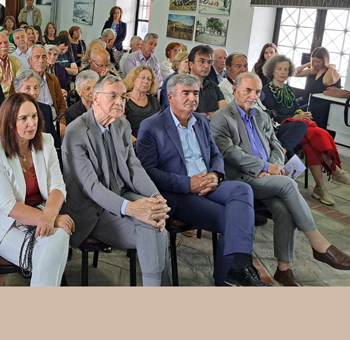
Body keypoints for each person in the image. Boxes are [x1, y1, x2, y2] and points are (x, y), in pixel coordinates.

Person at [211, 72, 350, 285]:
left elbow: (276, 144)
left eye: (257, 91)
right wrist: (265, 167)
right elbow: (230, 153)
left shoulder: (261, 115)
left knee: (283, 208)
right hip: (240, 179)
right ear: (235, 90)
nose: (253, 96)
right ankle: (319, 245)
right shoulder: (221, 117)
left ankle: (284, 268)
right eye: (248, 90)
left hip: (267, 177)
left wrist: (273, 167)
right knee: (288, 184)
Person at [137, 74, 268, 286]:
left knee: (243, 190)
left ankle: (238, 269)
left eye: (196, 93)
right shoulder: (152, 126)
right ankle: (230, 277)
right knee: (234, 219)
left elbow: (216, 155)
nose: (192, 98)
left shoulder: (201, 121)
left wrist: (215, 175)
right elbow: (147, 172)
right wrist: (187, 183)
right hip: (179, 193)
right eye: (186, 93)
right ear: (170, 97)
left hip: (209, 184)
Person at [60, 75, 171, 286]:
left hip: (121, 193)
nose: (120, 102)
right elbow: (91, 187)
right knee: (155, 228)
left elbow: (134, 167)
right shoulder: (76, 132)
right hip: (91, 208)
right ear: (95, 98)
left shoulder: (122, 125)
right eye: (112, 96)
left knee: (155, 218)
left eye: (123, 97)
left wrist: (156, 197)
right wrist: (133, 209)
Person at [0, 93, 72, 285]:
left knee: (58, 238)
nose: (32, 123)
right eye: (24, 118)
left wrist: (49, 216)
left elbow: (58, 186)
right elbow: (7, 205)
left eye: (34, 116)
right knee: (51, 254)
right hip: (3, 224)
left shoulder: (46, 141)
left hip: (40, 211)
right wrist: (52, 219)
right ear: (10, 122)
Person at [261, 55, 350, 205]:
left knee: (310, 144)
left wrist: (302, 114)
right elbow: (271, 117)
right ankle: (334, 169)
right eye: (279, 69)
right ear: (272, 71)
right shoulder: (266, 91)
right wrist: (296, 117)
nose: (283, 72)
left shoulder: (288, 89)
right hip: (281, 130)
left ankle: (320, 188)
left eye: (286, 69)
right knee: (317, 132)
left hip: (298, 128)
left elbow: (296, 108)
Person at [295, 47, 342, 128]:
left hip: (323, 108)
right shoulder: (313, 71)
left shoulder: (334, 73)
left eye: (318, 62)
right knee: (291, 111)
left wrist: (331, 68)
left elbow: (326, 82)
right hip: (308, 102)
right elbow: (294, 73)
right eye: (314, 61)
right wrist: (309, 64)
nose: (316, 64)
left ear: (325, 60)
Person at [14, 69, 59, 144]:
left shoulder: (46, 109)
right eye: (27, 88)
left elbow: (55, 141)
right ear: (17, 92)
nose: (33, 93)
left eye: (36, 88)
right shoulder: (11, 112)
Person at [188, 44, 227, 116]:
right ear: (191, 64)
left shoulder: (213, 86)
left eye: (209, 62)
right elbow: (187, 115)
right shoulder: (182, 86)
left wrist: (206, 115)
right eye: (201, 61)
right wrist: (213, 114)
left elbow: (224, 113)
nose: (206, 66)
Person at [124, 65, 160, 140]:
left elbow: (161, 124)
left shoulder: (153, 101)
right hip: (133, 142)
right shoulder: (124, 100)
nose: (146, 81)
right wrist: (138, 143)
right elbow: (123, 130)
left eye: (149, 79)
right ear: (133, 79)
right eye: (142, 78)